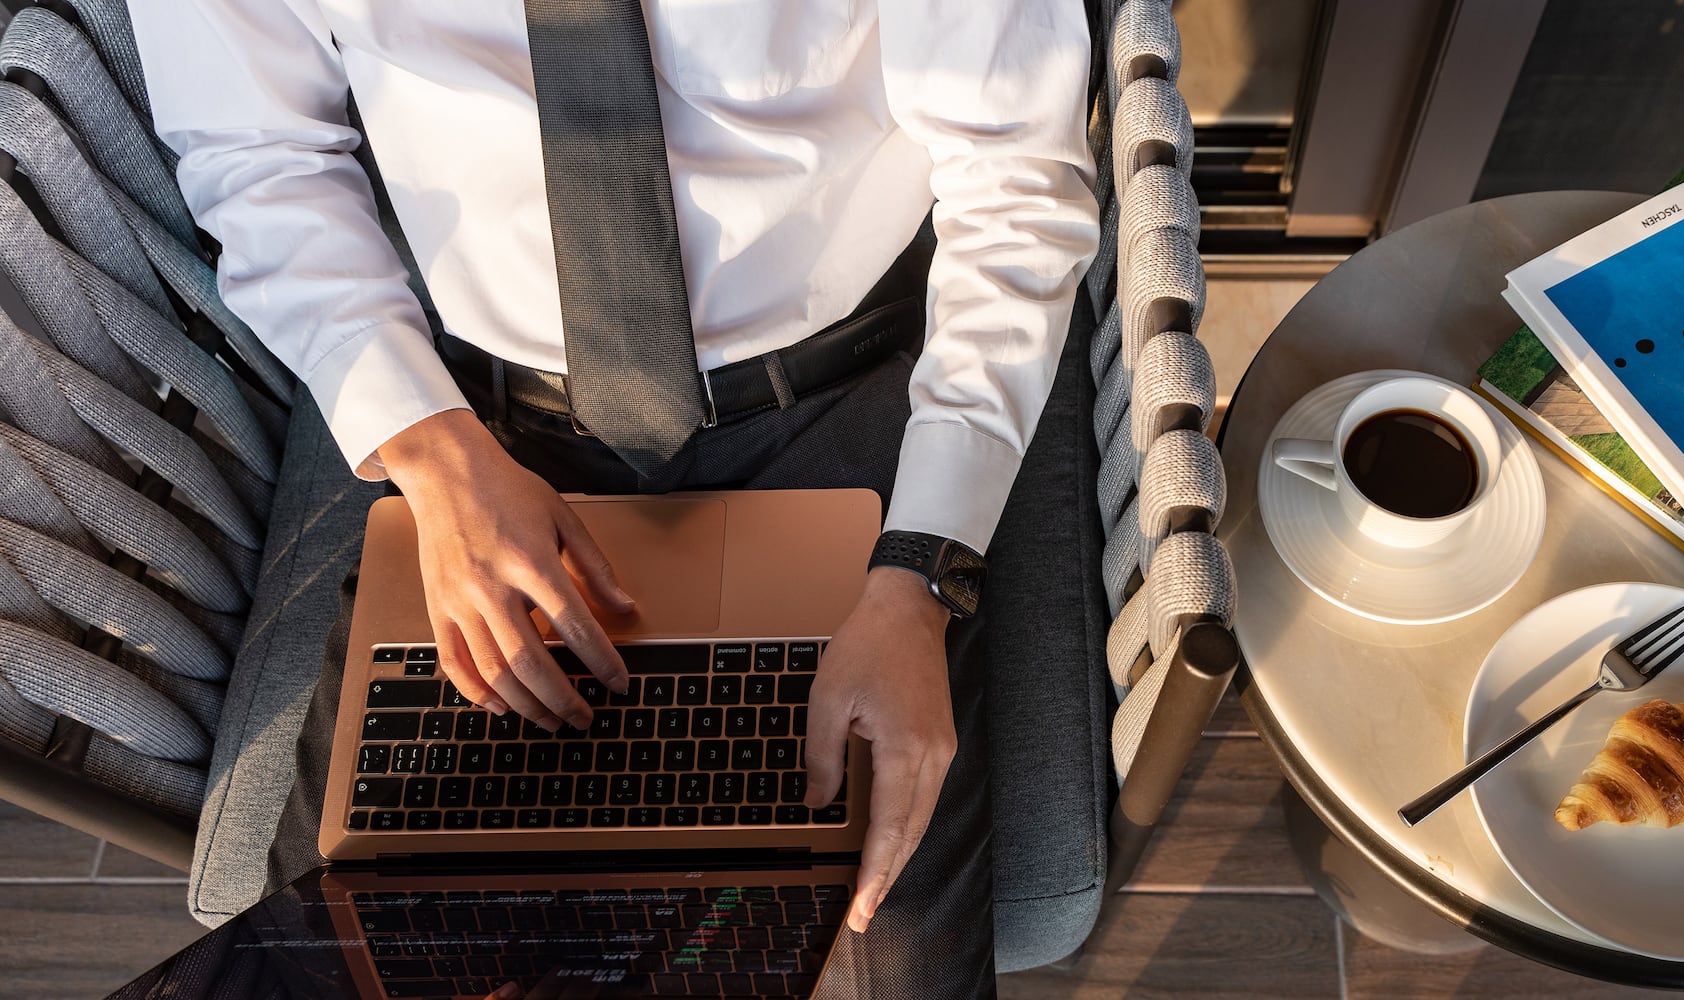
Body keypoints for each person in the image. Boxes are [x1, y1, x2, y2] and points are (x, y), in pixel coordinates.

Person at [129, 1, 1098, 995]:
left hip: (839, 399)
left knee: (885, 967)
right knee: (340, 966)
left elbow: (1015, 175)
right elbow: (255, 152)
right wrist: (429, 448)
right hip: (485, 436)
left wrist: (919, 576)